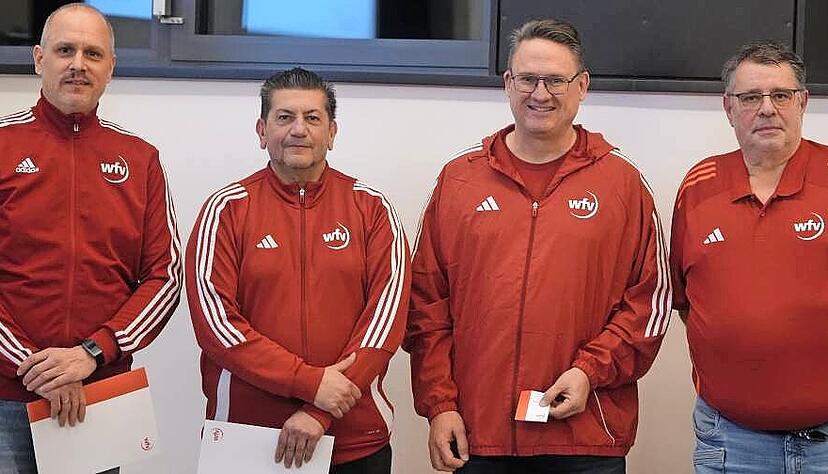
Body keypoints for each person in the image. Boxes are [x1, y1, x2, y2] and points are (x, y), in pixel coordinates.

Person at [404, 18, 670, 473]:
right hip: (478, 432)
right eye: (527, 79)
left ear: (582, 86)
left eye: (556, 80)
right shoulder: (460, 180)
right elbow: (426, 305)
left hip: (585, 435)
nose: (540, 93)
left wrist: (590, 371)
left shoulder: (622, 183)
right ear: (508, 84)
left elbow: (650, 302)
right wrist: (440, 404)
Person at [186, 67, 411, 474]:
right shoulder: (226, 209)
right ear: (262, 129)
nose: (298, 130)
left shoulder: (372, 208)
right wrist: (308, 383)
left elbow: (385, 322)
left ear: (332, 132)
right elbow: (217, 327)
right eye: (284, 117)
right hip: (247, 437)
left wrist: (320, 410)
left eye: (312, 118)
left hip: (353, 441)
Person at [0, 4, 181, 473]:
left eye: (92, 53)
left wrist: (91, 353)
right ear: (39, 59)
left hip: (99, 393)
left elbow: (164, 278)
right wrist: (37, 368)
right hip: (4, 398)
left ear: (111, 67)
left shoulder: (140, 159)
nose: (78, 64)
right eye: (65, 50)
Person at [671, 41, 828, 473]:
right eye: (750, 97)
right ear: (728, 106)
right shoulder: (698, 187)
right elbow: (686, 301)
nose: (766, 109)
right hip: (730, 439)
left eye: (780, 95)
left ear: (802, 102)